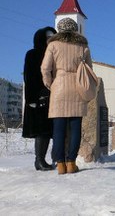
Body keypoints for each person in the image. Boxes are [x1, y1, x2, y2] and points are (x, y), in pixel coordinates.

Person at [41, 18, 93, 175]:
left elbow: (45, 68)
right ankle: (71, 163)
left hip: (59, 86)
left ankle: (60, 164)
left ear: (60, 29)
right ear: (75, 29)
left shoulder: (53, 45)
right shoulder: (83, 46)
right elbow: (89, 68)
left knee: (59, 129)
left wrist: (50, 84)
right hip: (77, 87)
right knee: (76, 127)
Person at [23, 26, 57, 171]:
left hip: (51, 96)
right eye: (48, 38)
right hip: (37, 98)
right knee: (40, 130)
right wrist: (32, 99)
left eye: (52, 38)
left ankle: (42, 159)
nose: (50, 40)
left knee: (47, 130)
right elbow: (29, 77)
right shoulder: (32, 54)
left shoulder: (54, 54)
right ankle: (39, 160)